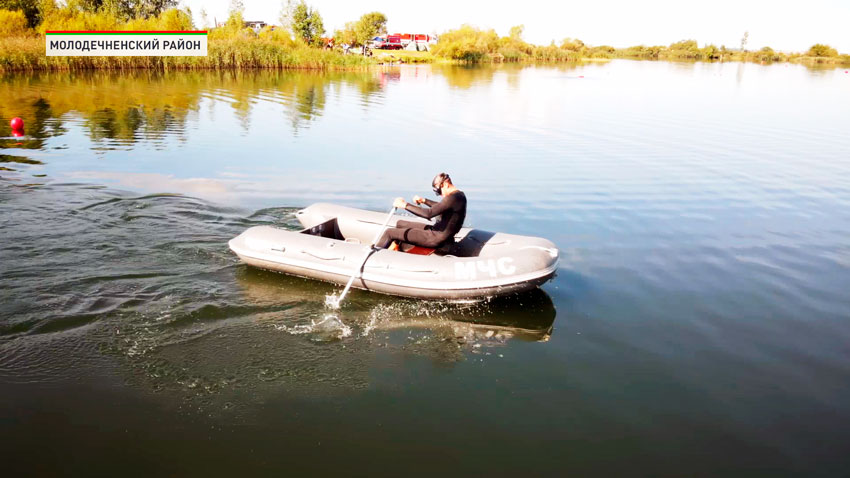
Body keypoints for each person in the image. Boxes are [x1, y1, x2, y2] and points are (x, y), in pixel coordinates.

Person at [376, 173, 467, 250]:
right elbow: (441, 207)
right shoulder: (458, 196)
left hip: (435, 238)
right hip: (437, 232)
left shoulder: (452, 198)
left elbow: (428, 214)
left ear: (446, 185)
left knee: (389, 232)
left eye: (439, 191)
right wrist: (424, 200)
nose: (439, 194)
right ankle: (397, 248)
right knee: (400, 224)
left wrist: (404, 205)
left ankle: (374, 257)